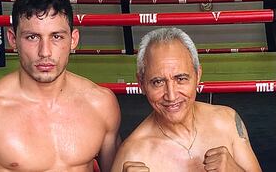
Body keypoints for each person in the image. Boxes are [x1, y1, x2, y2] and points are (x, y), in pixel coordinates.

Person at [0, 0, 121, 172]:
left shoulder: (101, 103)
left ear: (73, 40)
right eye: (32, 37)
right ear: (13, 39)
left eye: (57, 36)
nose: (45, 52)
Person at [111, 28, 261, 172]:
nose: (171, 96)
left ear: (198, 76)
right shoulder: (132, 155)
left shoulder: (227, 122)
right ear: (141, 83)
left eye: (181, 79)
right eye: (158, 82)